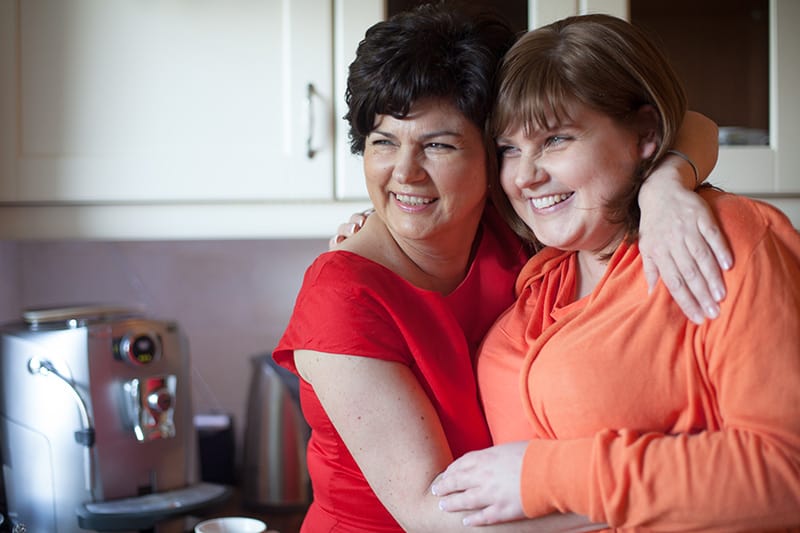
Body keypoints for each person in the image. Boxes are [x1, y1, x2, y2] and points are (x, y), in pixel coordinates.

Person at [274, 4, 728, 532]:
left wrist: (666, 184)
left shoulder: (516, 224)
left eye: (438, 145)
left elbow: (689, 124)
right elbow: (431, 514)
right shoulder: (343, 295)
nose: (404, 173)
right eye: (383, 142)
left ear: (495, 154)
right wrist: (678, 490)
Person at [430, 13, 800, 531]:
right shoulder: (540, 261)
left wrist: (542, 474)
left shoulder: (729, 238)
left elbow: (786, 475)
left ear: (645, 133)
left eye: (556, 139)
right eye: (509, 149)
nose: (527, 175)